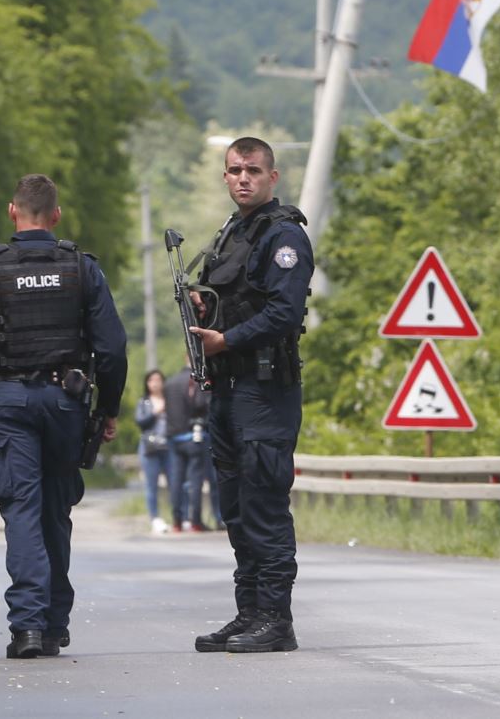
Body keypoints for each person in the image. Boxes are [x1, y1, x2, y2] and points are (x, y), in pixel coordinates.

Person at [0, 173, 128, 659]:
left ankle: (25, 627)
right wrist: (108, 408)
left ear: (12, 212)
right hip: (65, 402)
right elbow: (112, 346)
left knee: (21, 510)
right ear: (56, 216)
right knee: (54, 509)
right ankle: (52, 625)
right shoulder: (81, 267)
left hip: (9, 402)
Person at [185, 136, 312, 655]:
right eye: (235, 169)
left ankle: (276, 620)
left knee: (264, 506)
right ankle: (250, 613)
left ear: (272, 178)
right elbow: (237, 301)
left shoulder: (284, 236)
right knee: (236, 509)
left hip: (264, 392)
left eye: (253, 170)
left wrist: (226, 339)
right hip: (229, 390)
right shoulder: (232, 234)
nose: (243, 178)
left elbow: (284, 312)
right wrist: (204, 310)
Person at [164, 359, 215, 532]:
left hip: (174, 437)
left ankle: (177, 521)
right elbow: (201, 404)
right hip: (193, 436)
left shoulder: (169, 382)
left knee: (176, 481)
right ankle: (195, 521)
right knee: (195, 481)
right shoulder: (195, 381)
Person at [134, 370, 174, 534]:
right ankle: (155, 518)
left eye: (159, 380)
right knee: (152, 486)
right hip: (150, 448)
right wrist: (155, 412)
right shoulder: (144, 402)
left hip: (169, 446)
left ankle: (179, 517)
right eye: (152, 380)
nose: (156, 383)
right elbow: (140, 422)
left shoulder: (171, 400)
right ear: (147, 383)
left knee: (176, 483)